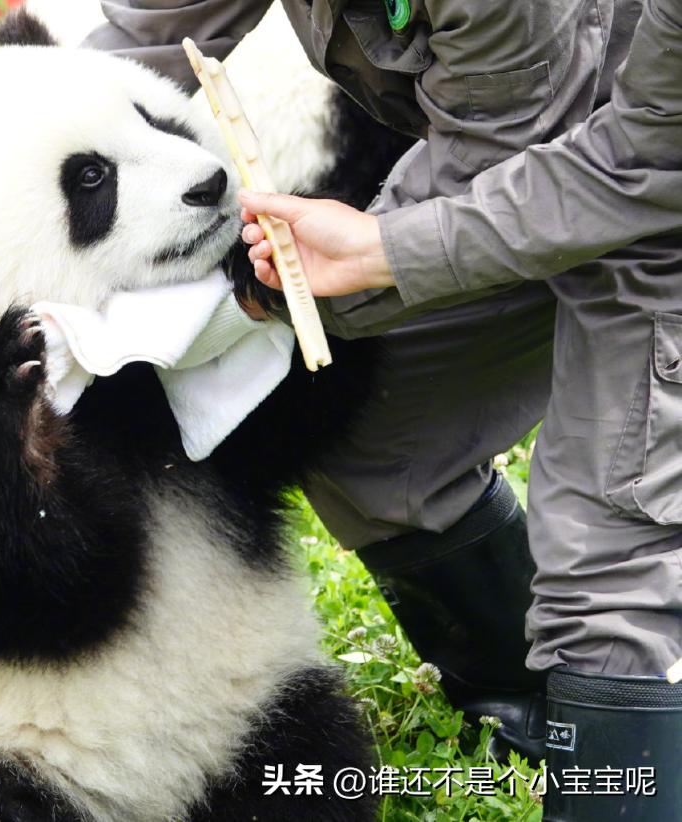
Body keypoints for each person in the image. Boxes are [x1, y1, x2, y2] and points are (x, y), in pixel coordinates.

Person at [84, 0, 681, 819]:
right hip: (528, 178)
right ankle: (534, 713)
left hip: (655, 203)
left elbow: (638, 158)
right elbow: (147, 37)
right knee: (379, 438)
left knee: (611, 570)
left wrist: (327, 270)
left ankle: (621, 763)